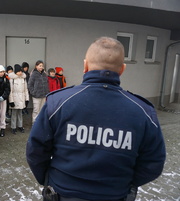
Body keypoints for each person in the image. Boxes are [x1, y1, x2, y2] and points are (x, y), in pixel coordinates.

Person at [26, 37, 166, 200]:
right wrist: (124, 183)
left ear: (85, 65)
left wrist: (50, 179)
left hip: (64, 193)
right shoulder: (143, 111)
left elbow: (35, 151)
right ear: (122, 69)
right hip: (115, 195)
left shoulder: (58, 103)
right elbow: (154, 162)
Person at [8, 64, 29, 134]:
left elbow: (26, 89)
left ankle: (20, 126)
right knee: (14, 114)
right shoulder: (12, 79)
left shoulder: (23, 78)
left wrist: (27, 99)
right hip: (15, 98)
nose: (20, 72)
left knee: (20, 114)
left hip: (22, 99)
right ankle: (13, 127)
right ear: (15, 72)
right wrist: (11, 101)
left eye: (21, 71)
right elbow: (10, 91)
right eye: (18, 71)